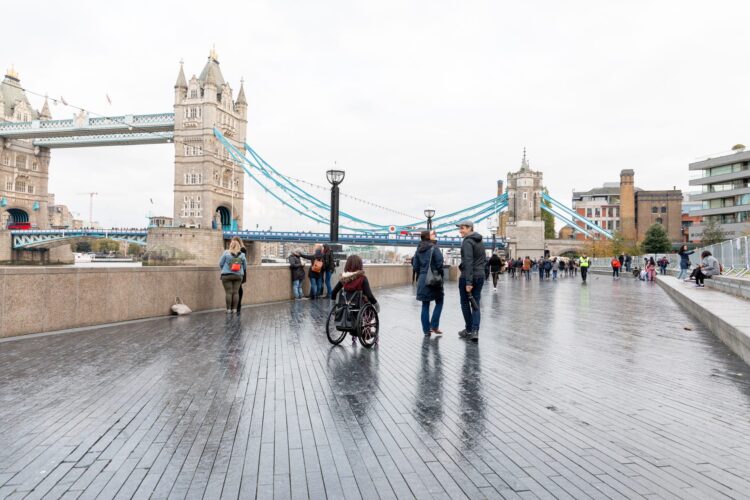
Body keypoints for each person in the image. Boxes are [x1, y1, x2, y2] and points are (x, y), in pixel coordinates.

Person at [331, 255, 380, 343]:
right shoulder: (362, 278)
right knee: (370, 310)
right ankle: (369, 334)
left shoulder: (344, 278)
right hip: (360, 307)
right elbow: (369, 295)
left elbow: (334, 292)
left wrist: (334, 307)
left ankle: (354, 334)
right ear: (359, 265)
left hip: (345, 307)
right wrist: (376, 305)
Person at [456, 220, 486, 342]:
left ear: (470, 228)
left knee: (465, 303)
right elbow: (481, 260)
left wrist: (468, 282)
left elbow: (468, 262)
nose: (460, 231)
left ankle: (469, 330)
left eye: (462, 228)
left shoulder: (467, 241)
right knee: (476, 304)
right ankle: (475, 331)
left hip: (468, 277)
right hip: (480, 275)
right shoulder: (480, 241)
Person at [412, 230, 444, 336]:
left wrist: (422, 273)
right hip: (433, 278)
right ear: (428, 237)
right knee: (439, 301)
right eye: (433, 234)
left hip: (422, 279)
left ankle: (426, 331)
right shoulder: (434, 248)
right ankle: (434, 326)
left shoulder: (418, 250)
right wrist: (439, 275)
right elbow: (440, 263)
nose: (435, 235)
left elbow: (415, 265)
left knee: (425, 305)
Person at [219, 238, 247, 313]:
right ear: (238, 246)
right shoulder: (242, 255)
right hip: (238, 275)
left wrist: (224, 270)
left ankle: (228, 310)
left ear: (230, 245)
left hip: (226, 275)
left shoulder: (226, 253)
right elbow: (245, 266)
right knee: (235, 292)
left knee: (228, 292)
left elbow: (221, 263)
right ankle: (235, 309)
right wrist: (239, 270)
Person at [230, 237, 248, 312]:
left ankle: (238, 305)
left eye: (233, 241)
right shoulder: (241, 249)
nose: (232, 243)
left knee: (238, 288)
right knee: (235, 289)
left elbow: (240, 260)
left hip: (240, 271)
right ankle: (235, 306)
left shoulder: (242, 249)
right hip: (235, 271)